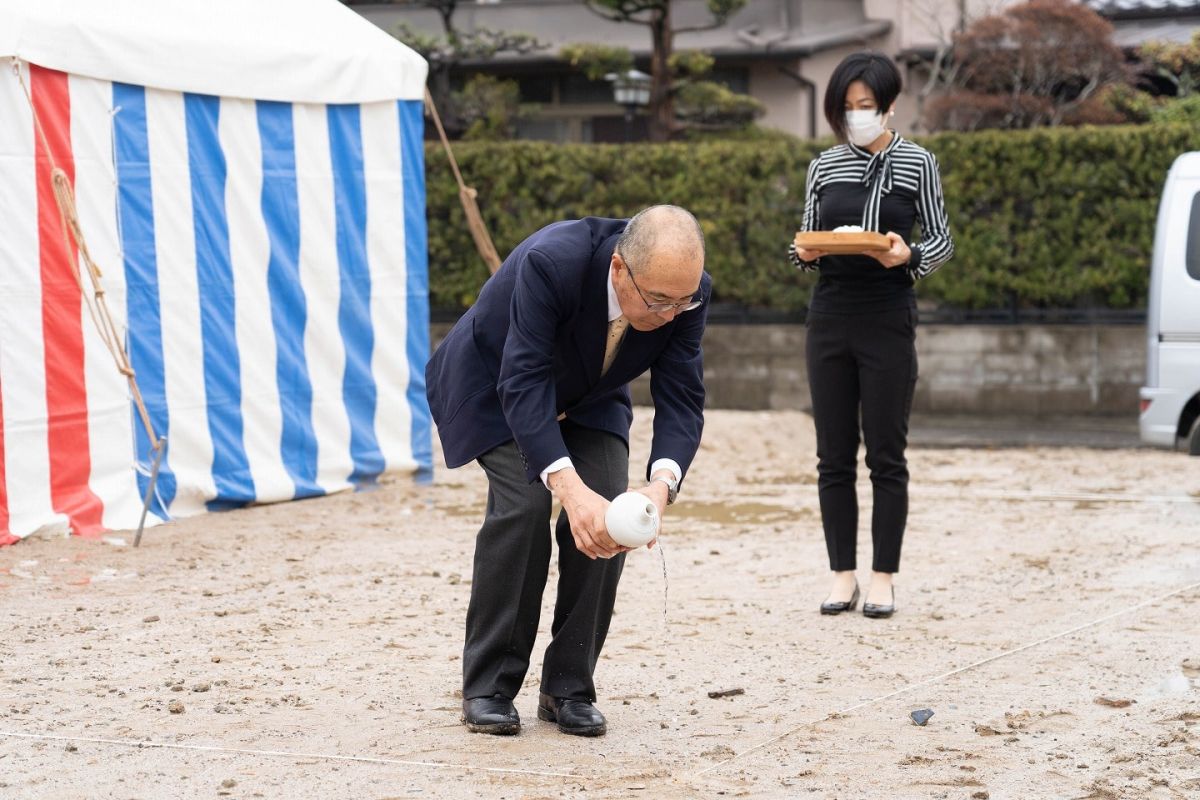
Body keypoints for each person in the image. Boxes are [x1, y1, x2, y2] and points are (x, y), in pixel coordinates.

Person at [426, 206, 710, 737]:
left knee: (609, 513)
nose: (673, 313)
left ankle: (567, 687)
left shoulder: (682, 292)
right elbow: (524, 378)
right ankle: (489, 685)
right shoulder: (551, 262)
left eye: (684, 301)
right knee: (526, 506)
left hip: (590, 392)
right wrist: (566, 487)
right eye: (660, 302)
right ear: (621, 269)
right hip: (499, 385)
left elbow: (683, 396)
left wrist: (660, 486)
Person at [788, 52, 954, 619]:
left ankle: (883, 576)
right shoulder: (824, 166)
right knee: (833, 455)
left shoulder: (918, 163)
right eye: (848, 108)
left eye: (866, 106)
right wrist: (804, 250)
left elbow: (941, 239)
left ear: (888, 106)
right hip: (830, 314)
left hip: (888, 314)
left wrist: (911, 256)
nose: (857, 116)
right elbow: (804, 242)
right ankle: (842, 575)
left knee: (887, 454)